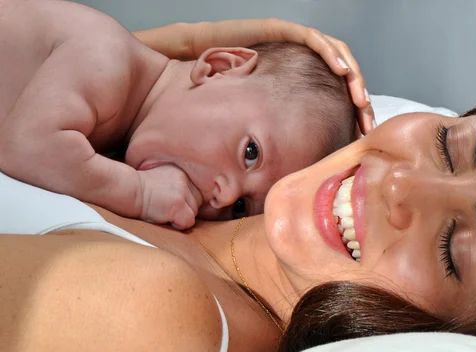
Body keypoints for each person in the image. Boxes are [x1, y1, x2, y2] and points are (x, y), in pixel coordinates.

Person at [3, 85, 476, 352]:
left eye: (454, 249)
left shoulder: (158, 316)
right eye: (450, 145)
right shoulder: (205, 173)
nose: (400, 189)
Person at [0, 0, 357, 229]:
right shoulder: (105, 59)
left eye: (241, 209)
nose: (225, 196)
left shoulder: (119, 128)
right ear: (219, 67)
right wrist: (139, 194)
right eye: (251, 152)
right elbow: (27, 145)